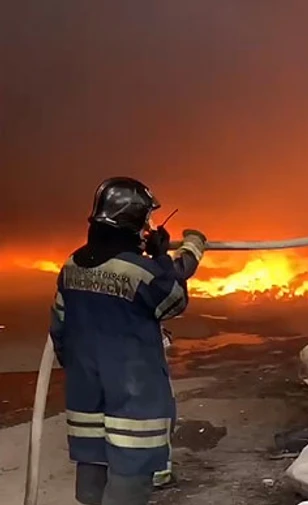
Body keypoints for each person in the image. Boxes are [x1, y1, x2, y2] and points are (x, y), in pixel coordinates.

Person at [49, 177, 207, 505]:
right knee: (129, 481)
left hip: (87, 393)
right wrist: (165, 255)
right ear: (132, 221)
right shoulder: (141, 271)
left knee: (92, 474)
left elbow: (60, 328)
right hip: (133, 395)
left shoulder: (72, 264)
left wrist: (82, 366)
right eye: (146, 218)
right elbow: (174, 298)